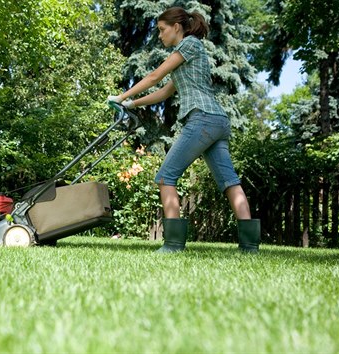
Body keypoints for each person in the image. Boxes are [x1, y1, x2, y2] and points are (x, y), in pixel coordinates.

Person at [107, 7, 260, 253]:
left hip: (202, 119)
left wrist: (120, 96)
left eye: (161, 30)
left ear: (176, 27)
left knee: (166, 177)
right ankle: (250, 247)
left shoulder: (189, 44)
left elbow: (156, 75)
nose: (159, 36)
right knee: (230, 181)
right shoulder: (186, 57)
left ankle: (173, 245)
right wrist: (132, 103)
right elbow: (164, 91)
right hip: (217, 121)